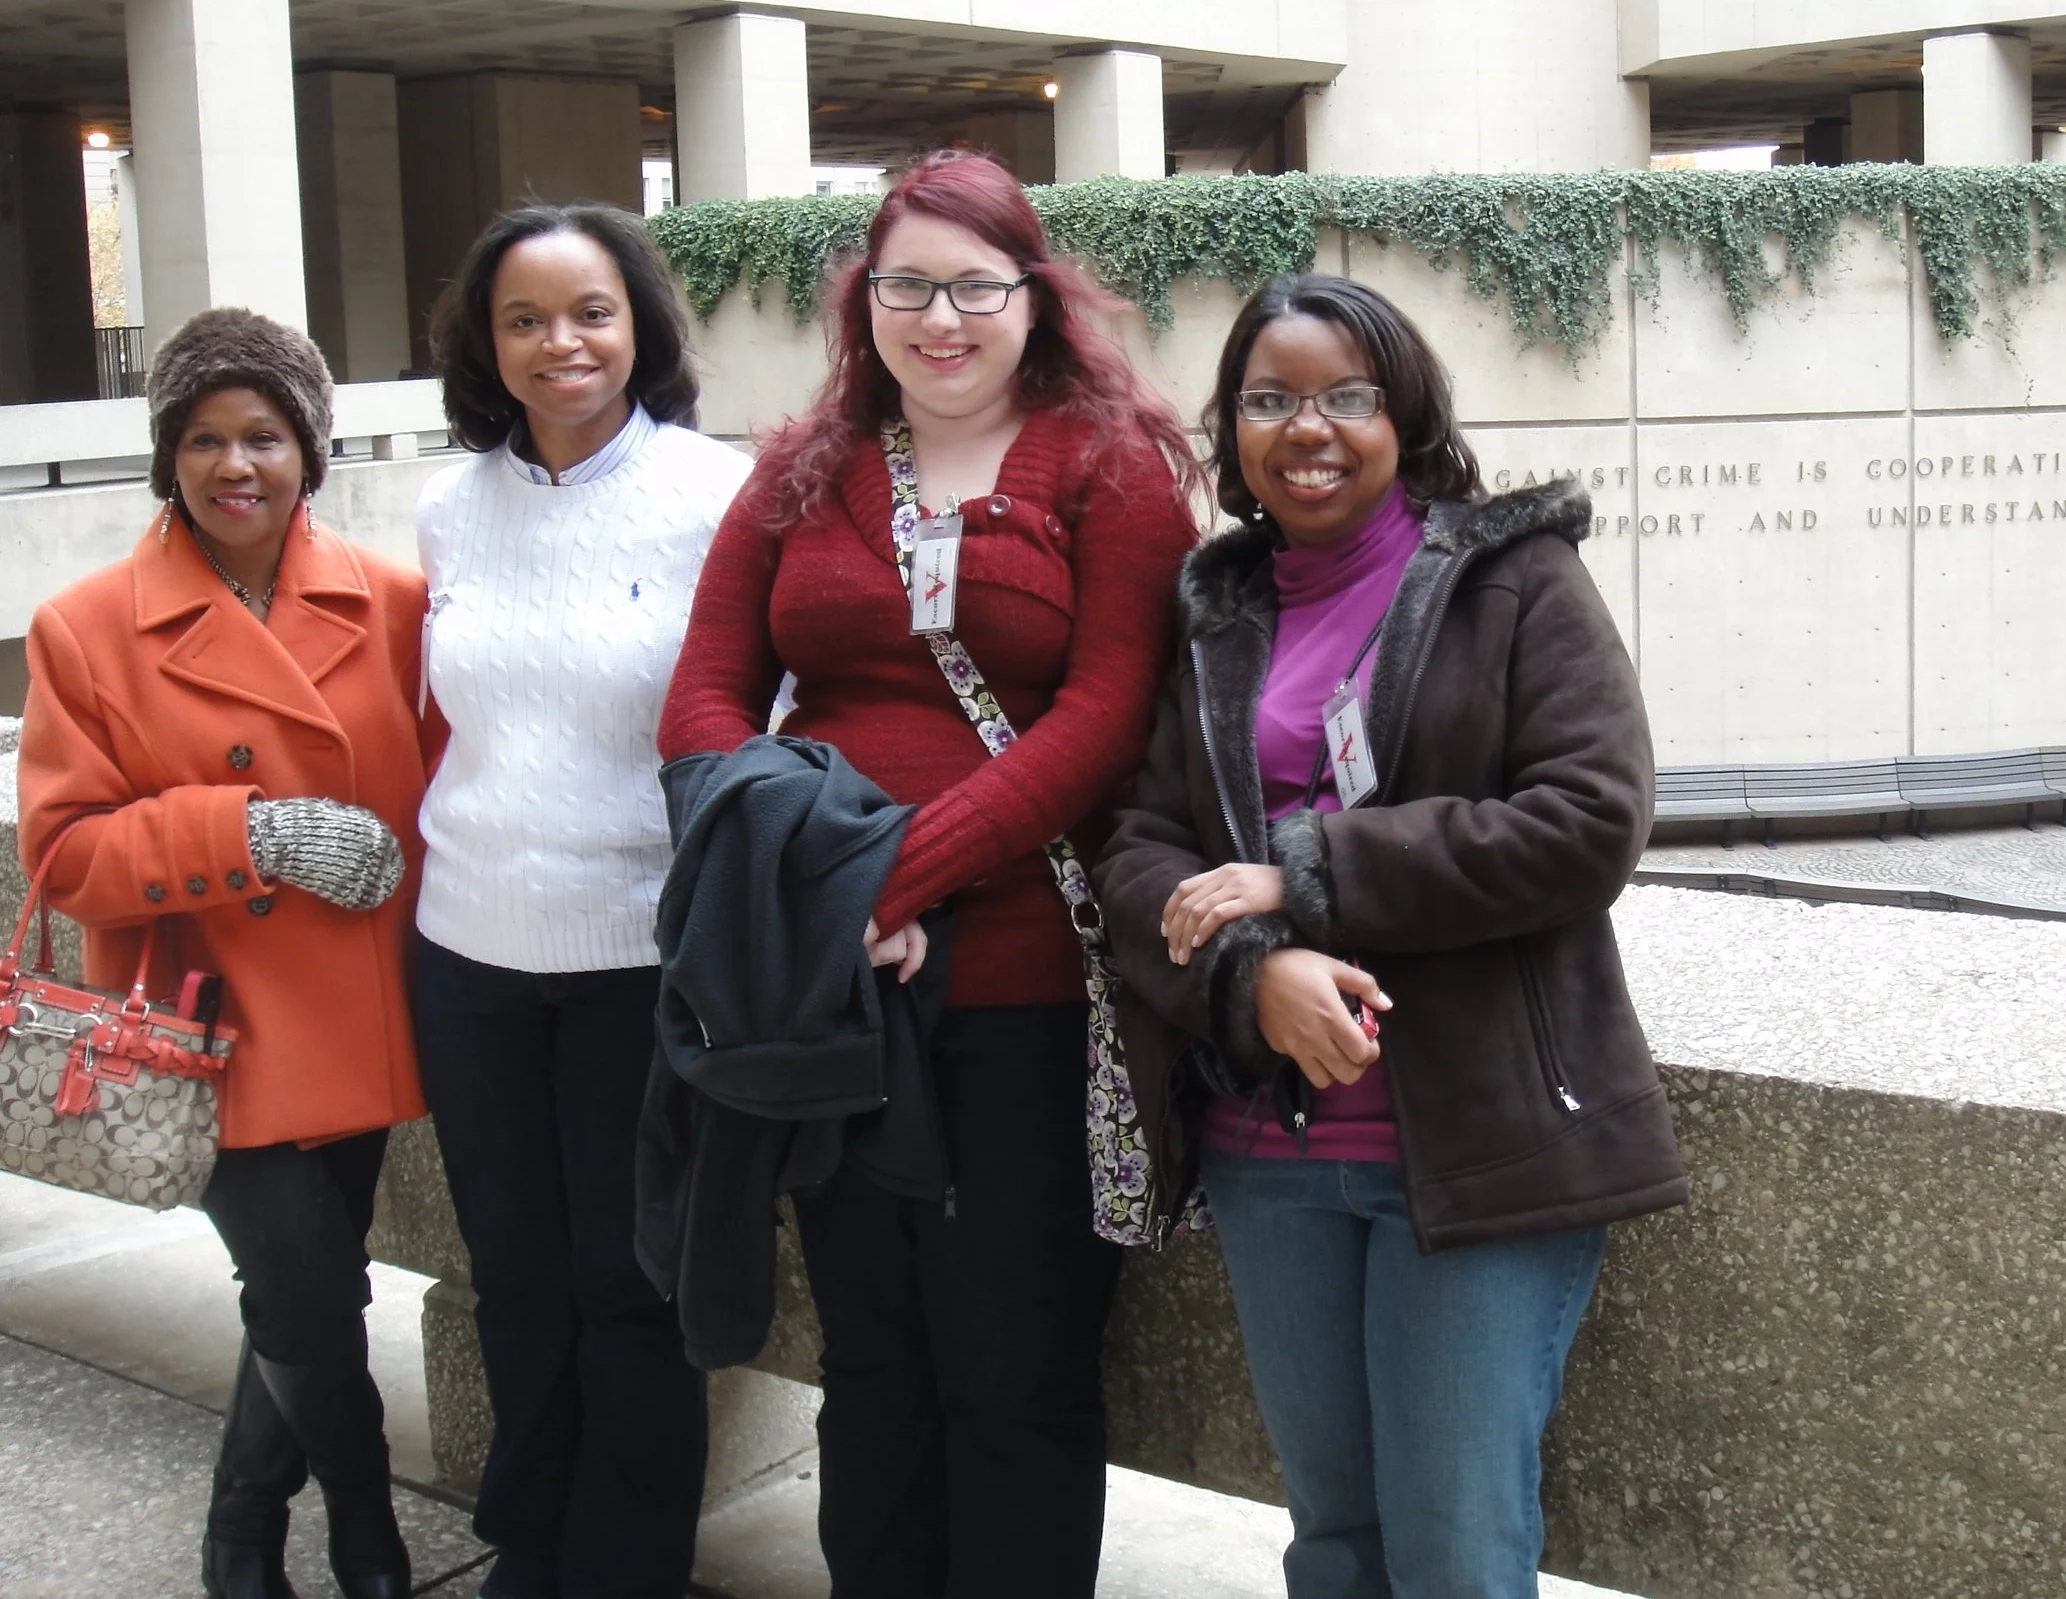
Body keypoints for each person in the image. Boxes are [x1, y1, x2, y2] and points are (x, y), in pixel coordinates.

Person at [1094, 275, 1690, 1599]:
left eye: (1345, 395)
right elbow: (1143, 848)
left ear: (1404, 414)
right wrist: (1257, 977)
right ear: (1232, 431)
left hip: (1479, 1153)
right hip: (1272, 1158)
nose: (1308, 427)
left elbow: (1590, 820)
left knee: (1456, 1559)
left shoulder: (1514, 579)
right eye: (1269, 400)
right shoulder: (1218, 614)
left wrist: (1303, 874)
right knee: (1337, 1547)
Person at [658, 149, 1200, 1597]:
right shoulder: (802, 469)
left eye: (975, 286)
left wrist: (893, 882)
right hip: (836, 1010)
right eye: (908, 284)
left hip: (1027, 997)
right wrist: (815, 891)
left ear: (1035, 297)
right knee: (875, 1363)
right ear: (865, 300)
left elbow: (1108, 721)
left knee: (1013, 1373)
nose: (940, 318)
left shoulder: (1108, 462)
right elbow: (705, 703)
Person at [18, 309, 429, 1599]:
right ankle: (362, 1525)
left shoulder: (398, 603)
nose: (234, 464)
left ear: (311, 451)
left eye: (264, 435)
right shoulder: (84, 628)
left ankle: (242, 1527)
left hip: (365, 1015)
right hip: (205, 1028)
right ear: (167, 456)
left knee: (303, 1295)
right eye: (203, 437)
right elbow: (63, 858)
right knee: (307, 1295)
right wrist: (257, 832)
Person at [411, 203, 749, 1599]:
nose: (564, 343)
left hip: (641, 956)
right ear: (486, 345)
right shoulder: (446, 503)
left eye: (593, 311)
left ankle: (626, 1566)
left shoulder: (715, 492)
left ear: (641, 325)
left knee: (629, 1286)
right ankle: (532, 1544)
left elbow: (761, 722)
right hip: (469, 949)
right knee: (514, 1277)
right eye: (527, 318)